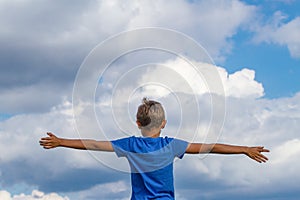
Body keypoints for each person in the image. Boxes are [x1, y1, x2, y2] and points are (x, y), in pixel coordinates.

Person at [39, 98, 269, 200]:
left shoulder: (130, 144)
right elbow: (210, 147)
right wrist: (244, 149)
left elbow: (94, 144)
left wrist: (62, 141)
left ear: (137, 123)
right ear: (164, 123)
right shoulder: (171, 145)